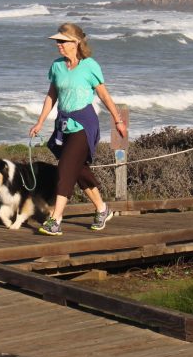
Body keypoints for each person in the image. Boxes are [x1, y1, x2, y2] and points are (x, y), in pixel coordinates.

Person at [29, 22, 127, 236]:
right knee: (79, 170)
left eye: (62, 41)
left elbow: (104, 95)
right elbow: (51, 96)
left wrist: (118, 120)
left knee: (65, 167)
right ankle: (102, 209)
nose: (58, 45)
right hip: (64, 125)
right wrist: (40, 122)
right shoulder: (56, 66)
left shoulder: (90, 66)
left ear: (76, 43)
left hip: (85, 123)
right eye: (57, 42)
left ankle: (56, 219)